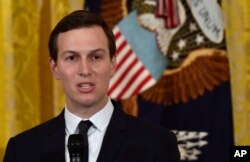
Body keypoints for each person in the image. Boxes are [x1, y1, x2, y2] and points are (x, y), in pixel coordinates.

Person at [3, 10, 180, 162]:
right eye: (72, 58)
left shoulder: (158, 145)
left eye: (96, 57)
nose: (85, 70)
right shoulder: (22, 150)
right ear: (55, 68)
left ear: (112, 64)